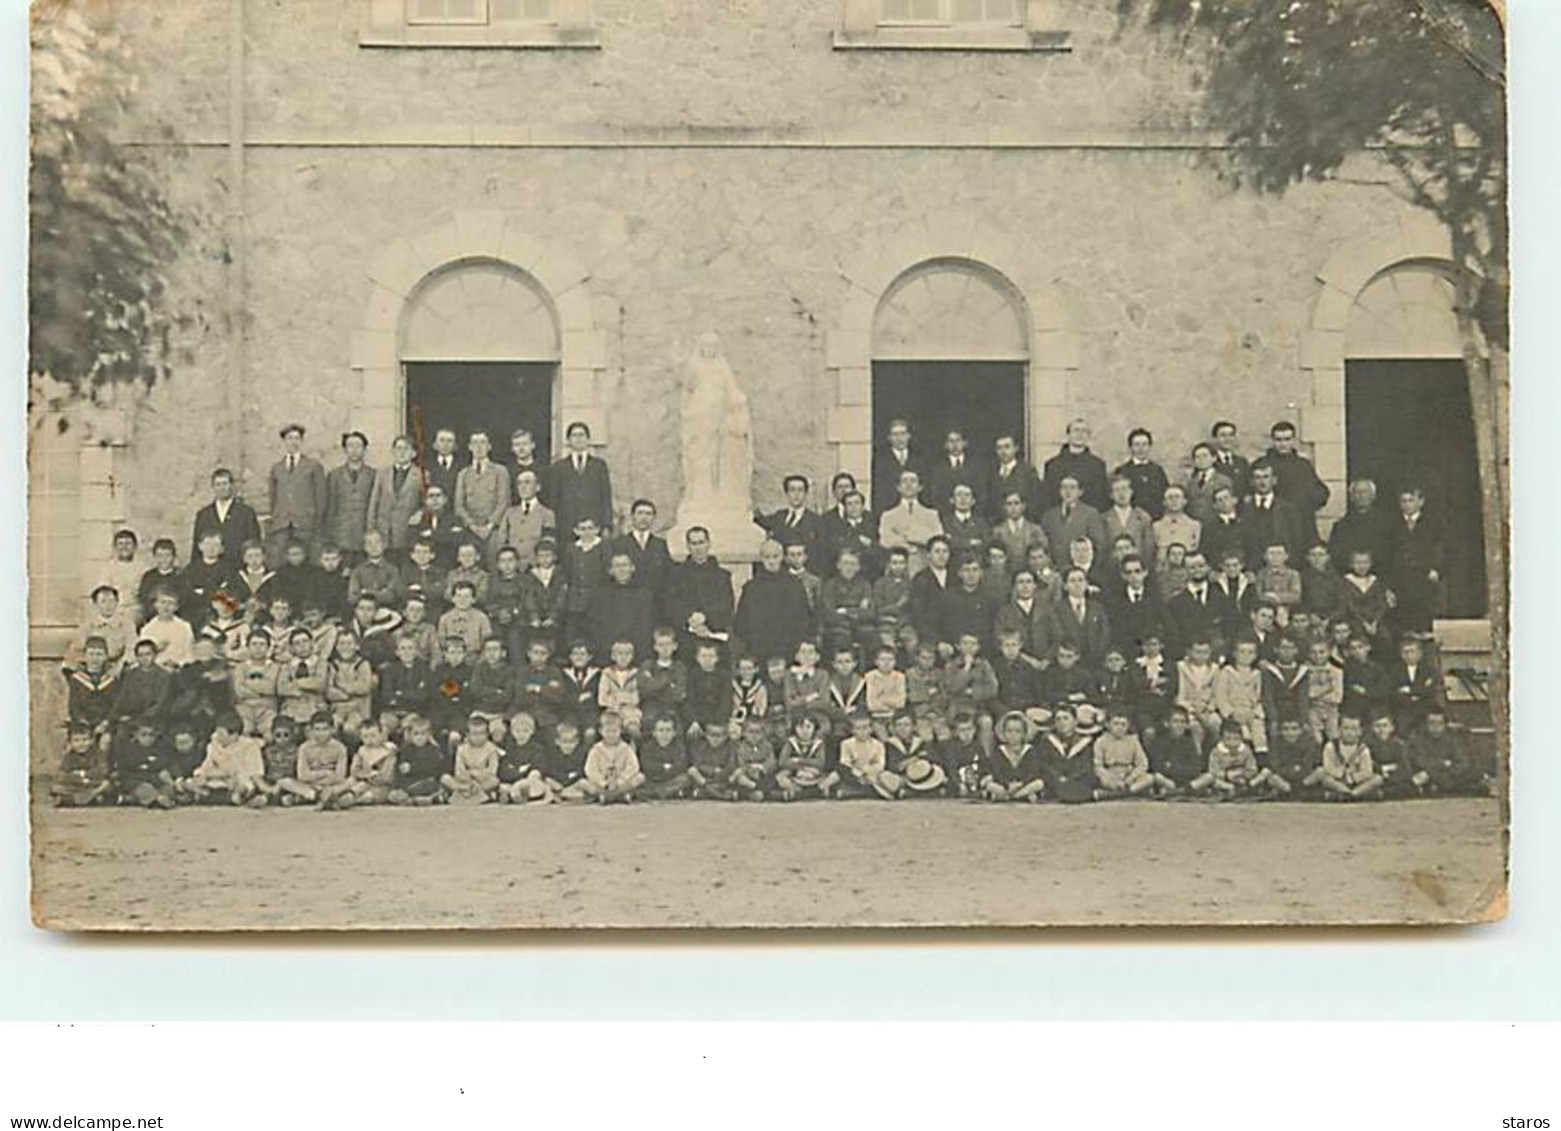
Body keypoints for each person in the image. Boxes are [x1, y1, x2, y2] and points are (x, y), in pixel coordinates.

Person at [733, 539, 812, 664]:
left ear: (782, 557)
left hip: (788, 648)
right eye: (767, 557)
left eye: (775, 556)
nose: (771, 561)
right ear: (761, 558)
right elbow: (742, 621)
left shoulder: (794, 585)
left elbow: (803, 618)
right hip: (759, 649)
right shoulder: (751, 587)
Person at [662, 527, 734, 660]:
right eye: (693, 543)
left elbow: (727, 606)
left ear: (708, 543)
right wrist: (690, 619)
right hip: (686, 641)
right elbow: (670, 604)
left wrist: (705, 617)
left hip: (714, 638)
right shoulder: (676, 575)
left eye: (701, 542)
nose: (698, 548)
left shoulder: (722, 576)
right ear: (688, 546)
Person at [1386, 485, 1444, 636]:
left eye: (1411, 500)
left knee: (1424, 625)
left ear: (1421, 502)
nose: (1406, 504)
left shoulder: (1434, 524)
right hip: (1401, 581)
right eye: (1403, 501)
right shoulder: (1392, 525)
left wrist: (1437, 569)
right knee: (1404, 627)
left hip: (1424, 580)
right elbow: (1386, 554)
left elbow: (1445, 548)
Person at [266, 423, 327, 565]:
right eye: (289, 438)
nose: (293, 442)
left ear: (302, 441)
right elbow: (273, 496)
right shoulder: (277, 468)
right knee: (281, 561)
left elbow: (321, 496)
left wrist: (316, 519)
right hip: (282, 523)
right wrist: (276, 516)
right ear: (284, 442)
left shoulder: (313, 466)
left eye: (297, 438)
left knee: (307, 560)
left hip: (305, 522)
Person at [547, 421, 614, 541]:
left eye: (582, 435)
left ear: (588, 439)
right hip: (566, 527)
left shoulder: (599, 466)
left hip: (592, 527)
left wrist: (606, 525)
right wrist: (553, 528)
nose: (578, 439)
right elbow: (554, 499)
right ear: (568, 440)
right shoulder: (559, 467)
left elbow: (605, 496)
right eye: (574, 435)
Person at [1262, 421, 1330, 538]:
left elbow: (1320, 490)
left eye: (1287, 439)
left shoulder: (1303, 465)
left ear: (1293, 441)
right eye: (1278, 440)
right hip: (1273, 522)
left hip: (1301, 521)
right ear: (1272, 441)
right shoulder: (1263, 464)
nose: (1283, 444)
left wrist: (1308, 504)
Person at [185, 712, 266, 805]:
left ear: (234, 735)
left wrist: (233, 777)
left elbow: (254, 773)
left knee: (245, 787)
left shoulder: (250, 746)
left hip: (238, 782)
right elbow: (207, 765)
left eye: (221, 734)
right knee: (190, 782)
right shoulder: (214, 744)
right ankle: (206, 795)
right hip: (216, 780)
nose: (218, 737)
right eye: (217, 732)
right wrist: (201, 775)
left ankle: (223, 798)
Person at [1192, 717, 1287, 797]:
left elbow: (1252, 768)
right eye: (1228, 739)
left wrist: (1242, 774)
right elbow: (1213, 770)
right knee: (1209, 778)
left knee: (1266, 772)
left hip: (1244, 780)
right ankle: (1231, 790)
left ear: (1241, 738)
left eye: (1236, 739)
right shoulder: (1216, 751)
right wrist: (1228, 775)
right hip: (1224, 781)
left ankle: (1249, 789)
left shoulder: (1246, 750)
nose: (1232, 743)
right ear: (1221, 738)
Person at [454, 431, 511, 564]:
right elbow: (458, 505)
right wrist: (473, 526)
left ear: (489, 446)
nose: (479, 447)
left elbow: (504, 502)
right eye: (475, 443)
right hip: (470, 529)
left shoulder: (500, 471)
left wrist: (489, 526)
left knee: (494, 563)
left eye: (483, 443)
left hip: (494, 529)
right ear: (469, 447)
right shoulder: (463, 474)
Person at [322, 431, 378, 566]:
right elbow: (330, 506)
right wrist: (329, 534)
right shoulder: (334, 475)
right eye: (350, 446)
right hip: (341, 533)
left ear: (364, 449)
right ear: (345, 449)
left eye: (358, 446)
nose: (354, 450)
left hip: (364, 531)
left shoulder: (374, 475)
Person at [366, 435, 427, 557]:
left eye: (406, 449)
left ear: (413, 453)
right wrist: (371, 528)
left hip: (407, 531)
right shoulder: (382, 473)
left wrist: (421, 513)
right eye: (398, 448)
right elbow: (374, 501)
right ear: (393, 451)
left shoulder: (420, 474)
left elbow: (426, 501)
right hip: (384, 530)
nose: (401, 453)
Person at [1407, 708, 1489, 796]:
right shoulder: (1418, 740)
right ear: (1425, 724)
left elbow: (1462, 764)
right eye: (1431, 723)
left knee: (1470, 775)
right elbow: (1421, 762)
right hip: (1428, 781)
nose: (1435, 727)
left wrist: (1432, 772)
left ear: (1445, 724)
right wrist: (1444, 763)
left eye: (1439, 723)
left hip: (1450, 778)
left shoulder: (1454, 739)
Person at [191, 467, 263, 565]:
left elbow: (253, 543)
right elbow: (197, 547)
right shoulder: (204, 515)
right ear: (213, 487)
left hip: (238, 567)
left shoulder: (246, 513)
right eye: (218, 484)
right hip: (212, 570)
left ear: (231, 485)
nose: (222, 488)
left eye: (225, 484)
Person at [878, 470, 944, 575]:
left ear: (920, 487)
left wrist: (910, 534)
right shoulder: (888, 515)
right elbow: (885, 540)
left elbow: (937, 539)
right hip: (897, 571)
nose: (908, 484)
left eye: (913, 481)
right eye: (904, 481)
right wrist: (908, 546)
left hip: (924, 568)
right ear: (898, 487)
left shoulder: (931, 514)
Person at [611, 499, 673, 609]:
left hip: (655, 605)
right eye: (640, 513)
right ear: (632, 516)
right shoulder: (618, 543)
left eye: (648, 514)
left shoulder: (660, 544)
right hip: (626, 604)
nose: (644, 518)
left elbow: (667, 574)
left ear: (654, 518)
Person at [1049, 567, 1111, 669]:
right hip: (1068, 664)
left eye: (1081, 580)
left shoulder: (1097, 607)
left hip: (1095, 663)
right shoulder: (1056, 609)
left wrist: (1098, 655)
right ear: (1065, 586)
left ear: (1086, 584)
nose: (1077, 584)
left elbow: (1104, 633)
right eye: (1072, 581)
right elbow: (1057, 635)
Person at [1040, 475, 1107, 572]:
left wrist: (1091, 570)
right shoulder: (1049, 515)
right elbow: (1044, 545)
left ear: (1080, 492)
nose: (1068, 492)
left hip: (1081, 572)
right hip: (1056, 570)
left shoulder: (1090, 514)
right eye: (1064, 487)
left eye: (1072, 487)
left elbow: (1099, 545)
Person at [493, 468, 555, 571]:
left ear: (538, 487)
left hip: (534, 569)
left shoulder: (547, 514)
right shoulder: (510, 513)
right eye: (519, 483)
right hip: (512, 570)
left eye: (527, 482)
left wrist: (532, 564)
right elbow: (501, 542)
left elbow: (547, 545)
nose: (523, 487)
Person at [1035, 703, 1096, 803]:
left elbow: (1085, 766)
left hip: (1076, 780)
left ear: (1075, 722)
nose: (1062, 722)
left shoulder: (1084, 742)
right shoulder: (1047, 741)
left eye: (1065, 718)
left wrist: (1070, 778)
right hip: (1054, 781)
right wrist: (1058, 777)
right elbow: (1044, 764)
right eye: (1058, 719)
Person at [580, 710, 643, 804]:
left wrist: (620, 781)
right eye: (607, 731)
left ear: (620, 731)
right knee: (583, 783)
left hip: (621, 784)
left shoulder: (626, 748)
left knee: (640, 778)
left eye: (614, 731)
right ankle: (606, 795)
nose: (611, 735)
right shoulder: (596, 749)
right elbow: (590, 769)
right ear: (601, 731)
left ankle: (617, 795)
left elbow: (633, 767)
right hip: (603, 785)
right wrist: (603, 783)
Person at [1091, 706, 1155, 799]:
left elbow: (1142, 763)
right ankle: (1125, 793)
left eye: (1123, 724)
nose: (1119, 728)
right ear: (1108, 725)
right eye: (1116, 724)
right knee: (1100, 780)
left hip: (1129, 776)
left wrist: (1131, 778)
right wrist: (1113, 780)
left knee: (1149, 778)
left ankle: (1120, 794)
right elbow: (1098, 766)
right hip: (1110, 776)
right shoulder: (1101, 741)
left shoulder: (1133, 741)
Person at [817, 489, 880, 581]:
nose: (853, 507)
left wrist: (870, 544)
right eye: (849, 504)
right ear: (845, 508)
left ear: (863, 506)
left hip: (869, 576)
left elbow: (880, 552)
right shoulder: (837, 528)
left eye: (857, 503)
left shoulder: (873, 526)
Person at [1385, 634, 1443, 736]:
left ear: (1420, 653)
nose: (1408, 655)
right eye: (1405, 652)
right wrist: (1416, 693)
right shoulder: (1393, 670)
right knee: (1401, 726)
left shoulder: (1429, 670)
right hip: (1403, 707)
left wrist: (1410, 690)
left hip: (1424, 707)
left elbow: (1429, 691)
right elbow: (1392, 691)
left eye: (1412, 651)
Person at [1317, 714, 1384, 799]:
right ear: (1339, 730)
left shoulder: (1363, 749)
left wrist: (1353, 778)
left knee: (1378, 779)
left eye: (1354, 729)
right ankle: (1345, 792)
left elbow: (1367, 771)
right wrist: (1342, 775)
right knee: (1324, 778)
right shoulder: (1331, 747)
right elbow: (1328, 767)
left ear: (1360, 732)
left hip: (1357, 782)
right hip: (1338, 781)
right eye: (1346, 728)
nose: (1350, 733)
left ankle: (1353, 794)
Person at [773, 712, 836, 800]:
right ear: (794, 728)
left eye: (808, 727)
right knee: (780, 777)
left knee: (833, 776)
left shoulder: (819, 743)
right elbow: (782, 761)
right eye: (800, 727)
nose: (804, 730)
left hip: (815, 774)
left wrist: (800, 761)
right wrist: (799, 768)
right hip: (795, 775)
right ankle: (797, 790)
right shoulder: (790, 742)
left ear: (815, 728)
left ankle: (816, 790)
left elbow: (821, 762)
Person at [442, 713, 502, 804]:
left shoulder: (492, 749)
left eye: (482, 733)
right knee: (445, 778)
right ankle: (464, 790)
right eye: (475, 733)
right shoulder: (461, 749)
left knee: (495, 781)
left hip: (483, 781)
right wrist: (468, 778)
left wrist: (477, 775)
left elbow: (492, 771)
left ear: (487, 734)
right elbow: (458, 771)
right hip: (464, 782)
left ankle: (475, 792)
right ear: (467, 734)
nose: (479, 737)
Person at [1113, 428, 1171, 520]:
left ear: (1149, 447)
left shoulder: (1157, 470)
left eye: (1144, 444)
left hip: (1155, 519)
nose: (1141, 449)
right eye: (1137, 445)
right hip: (1131, 521)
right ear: (1130, 447)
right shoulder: (1122, 471)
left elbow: (1165, 496)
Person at [836, 712, 898, 799]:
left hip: (872, 775)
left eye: (865, 728)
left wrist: (865, 769)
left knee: (883, 776)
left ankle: (860, 792)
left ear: (871, 729)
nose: (862, 732)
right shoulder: (846, 744)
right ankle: (867, 791)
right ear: (853, 730)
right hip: (854, 775)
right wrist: (859, 774)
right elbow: (844, 762)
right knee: (839, 771)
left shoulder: (878, 745)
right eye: (858, 729)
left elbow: (880, 765)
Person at [390, 714, 449, 804]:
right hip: (410, 783)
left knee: (432, 783)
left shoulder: (433, 749)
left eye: (423, 734)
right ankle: (418, 798)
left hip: (427, 781)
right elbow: (400, 770)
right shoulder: (405, 750)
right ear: (410, 735)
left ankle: (425, 797)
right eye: (416, 734)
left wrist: (412, 768)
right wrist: (399, 786)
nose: (419, 737)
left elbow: (433, 768)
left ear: (429, 735)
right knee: (393, 795)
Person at [984, 433, 1042, 524]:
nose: (1003, 451)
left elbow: (1035, 501)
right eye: (999, 448)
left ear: (1016, 448)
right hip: (996, 525)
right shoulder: (990, 473)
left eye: (1007, 447)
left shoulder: (1027, 472)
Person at [871, 418, 924, 515]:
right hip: (889, 509)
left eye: (903, 434)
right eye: (895, 434)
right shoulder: (880, 459)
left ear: (909, 436)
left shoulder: (919, 458)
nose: (900, 438)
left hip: (915, 510)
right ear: (889, 438)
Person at [1147, 706, 1203, 795]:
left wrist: (1172, 766)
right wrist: (1179, 769)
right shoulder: (1160, 742)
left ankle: (1181, 791)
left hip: (1186, 781)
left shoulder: (1189, 742)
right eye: (1175, 721)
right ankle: (1180, 791)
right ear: (1167, 723)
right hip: (1168, 780)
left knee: (1208, 777)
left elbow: (1195, 768)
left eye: (1182, 722)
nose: (1179, 725)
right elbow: (1157, 766)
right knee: (1157, 777)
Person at [637, 714, 693, 800]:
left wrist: (663, 769)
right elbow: (648, 766)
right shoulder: (647, 748)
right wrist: (666, 767)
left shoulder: (679, 747)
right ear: (654, 733)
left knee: (686, 778)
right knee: (640, 779)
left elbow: (681, 765)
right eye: (661, 730)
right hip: (653, 780)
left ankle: (659, 793)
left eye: (668, 730)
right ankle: (666, 792)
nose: (664, 734)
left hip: (672, 779)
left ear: (674, 733)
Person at [1103, 474, 1156, 564]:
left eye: (1124, 489)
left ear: (1131, 492)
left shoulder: (1143, 517)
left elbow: (1148, 547)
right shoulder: (1104, 518)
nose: (1121, 494)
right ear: (1111, 495)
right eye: (1117, 490)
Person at [97, 529, 146, 627]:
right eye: (120, 544)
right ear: (115, 547)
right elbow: (104, 592)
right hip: (114, 610)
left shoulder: (143, 568)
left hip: (135, 610)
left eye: (128, 544)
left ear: (135, 547)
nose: (124, 547)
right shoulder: (108, 568)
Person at [1266, 715, 1324, 797]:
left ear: (1301, 730)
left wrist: (1299, 772)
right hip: (1285, 779)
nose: (1290, 733)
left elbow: (1309, 764)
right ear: (1281, 731)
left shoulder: (1310, 743)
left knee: (1320, 772)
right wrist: (1291, 771)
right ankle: (1291, 791)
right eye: (1286, 729)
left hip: (1304, 779)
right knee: (1272, 778)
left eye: (1294, 729)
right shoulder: (1276, 745)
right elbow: (1275, 765)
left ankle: (1299, 790)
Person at [687, 720, 739, 800]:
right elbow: (697, 764)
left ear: (726, 736)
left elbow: (731, 765)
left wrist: (721, 772)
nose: (715, 739)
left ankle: (707, 792)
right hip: (705, 779)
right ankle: (722, 796)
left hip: (722, 779)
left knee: (736, 774)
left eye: (719, 735)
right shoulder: (701, 747)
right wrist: (712, 770)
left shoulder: (729, 747)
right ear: (706, 735)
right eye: (712, 735)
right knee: (692, 771)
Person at [1209, 420, 1251, 500]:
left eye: (1231, 435)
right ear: (1215, 439)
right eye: (1223, 435)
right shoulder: (1210, 463)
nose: (1227, 439)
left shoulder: (1242, 462)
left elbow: (1247, 488)